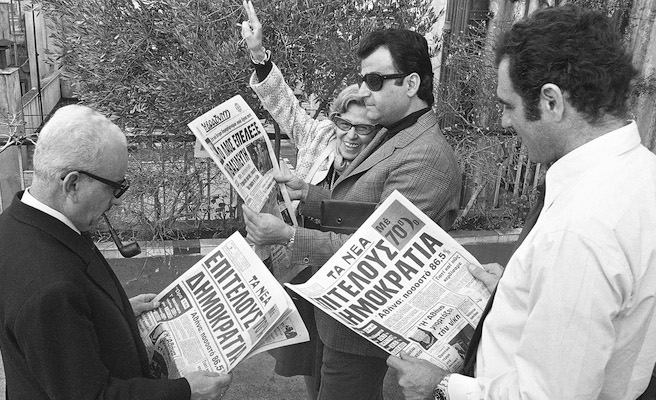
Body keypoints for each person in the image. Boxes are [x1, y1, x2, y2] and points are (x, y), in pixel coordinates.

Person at [385, 5, 656, 399]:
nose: (506, 123)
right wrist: (518, 289)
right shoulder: (642, 172)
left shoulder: (580, 230)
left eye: (508, 106)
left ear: (551, 101)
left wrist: (439, 385)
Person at [243, 27, 462, 400]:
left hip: (361, 332)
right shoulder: (391, 131)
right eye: (364, 79)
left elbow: (379, 253)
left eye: (375, 80)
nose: (364, 91)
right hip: (336, 317)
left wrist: (286, 236)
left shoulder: (426, 156)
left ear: (411, 83)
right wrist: (308, 196)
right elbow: (369, 212)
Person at [0, 105, 233, 400]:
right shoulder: (51, 290)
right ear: (73, 183)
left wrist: (115, 314)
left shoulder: (15, 220)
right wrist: (187, 390)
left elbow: (67, 330)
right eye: (115, 187)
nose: (117, 202)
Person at [239, 2, 379, 398]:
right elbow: (284, 105)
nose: (351, 136)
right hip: (298, 267)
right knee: (305, 355)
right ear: (334, 120)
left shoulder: (378, 165)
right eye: (344, 124)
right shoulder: (318, 136)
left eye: (364, 130)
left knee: (334, 359)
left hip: (339, 271)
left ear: (376, 133)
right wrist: (258, 54)